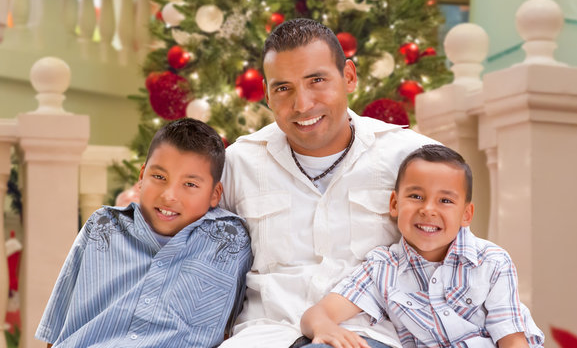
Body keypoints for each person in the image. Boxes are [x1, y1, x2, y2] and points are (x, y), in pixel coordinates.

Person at [219, 18, 438, 348]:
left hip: (366, 335)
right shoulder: (239, 163)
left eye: (317, 80)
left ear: (348, 77)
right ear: (266, 94)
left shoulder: (412, 158)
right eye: (283, 88)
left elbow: (464, 261)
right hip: (265, 335)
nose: (302, 105)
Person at [35, 118, 252, 348]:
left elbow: (232, 329)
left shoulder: (230, 241)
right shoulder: (102, 226)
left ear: (215, 194)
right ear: (142, 176)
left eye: (189, 184)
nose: (169, 196)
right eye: (159, 177)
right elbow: (57, 330)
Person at [300, 145, 545, 348]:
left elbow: (512, 339)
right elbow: (319, 313)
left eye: (445, 200)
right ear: (394, 204)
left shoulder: (492, 261)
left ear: (466, 214)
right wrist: (325, 327)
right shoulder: (382, 268)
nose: (428, 209)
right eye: (416, 196)